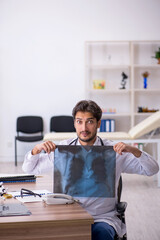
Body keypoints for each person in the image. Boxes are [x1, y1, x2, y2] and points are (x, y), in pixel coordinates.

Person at [22, 100, 159, 240]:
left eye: (90, 122)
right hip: (69, 215)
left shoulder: (115, 152)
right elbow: (29, 168)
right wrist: (36, 149)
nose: (84, 128)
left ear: (98, 124)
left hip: (102, 218)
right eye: (79, 122)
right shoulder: (63, 150)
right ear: (74, 123)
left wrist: (133, 150)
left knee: (102, 234)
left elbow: (152, 169)